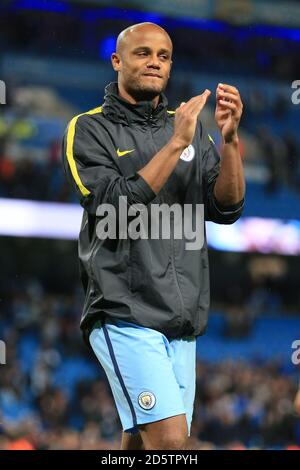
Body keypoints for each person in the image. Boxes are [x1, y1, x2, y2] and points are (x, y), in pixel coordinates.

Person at [62, 22, 245, 450]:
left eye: (163, 56)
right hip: (124, 309)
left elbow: (227, 208)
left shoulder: (188, 128)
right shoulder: (89, 129)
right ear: (117, 61)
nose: (154, 63)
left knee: (144, 445)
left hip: (182, 321)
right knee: (170, 444)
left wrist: (230, 139)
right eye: (143, 53)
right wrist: (175, 142)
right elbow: (114, 208)